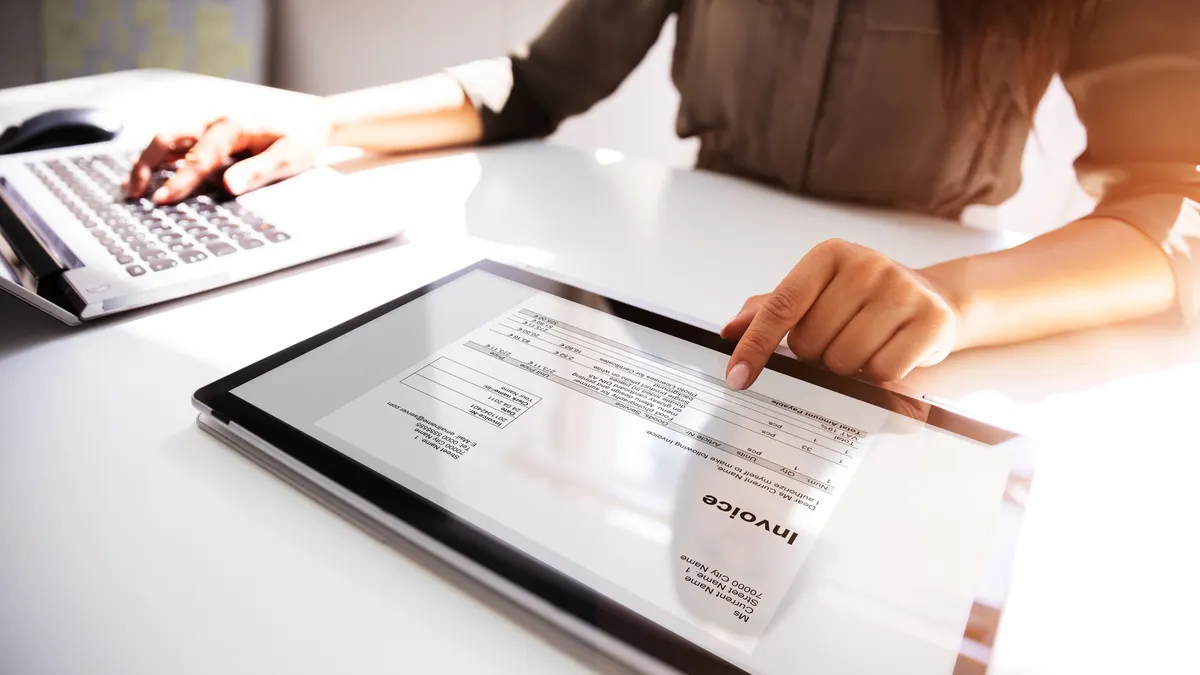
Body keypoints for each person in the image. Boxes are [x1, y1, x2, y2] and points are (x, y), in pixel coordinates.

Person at [124, 0, 1199, 390]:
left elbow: (1173, 205)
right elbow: (536, 83)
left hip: (916, 354)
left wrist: (954, 300)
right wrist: (326, 121)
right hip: (696, 313)